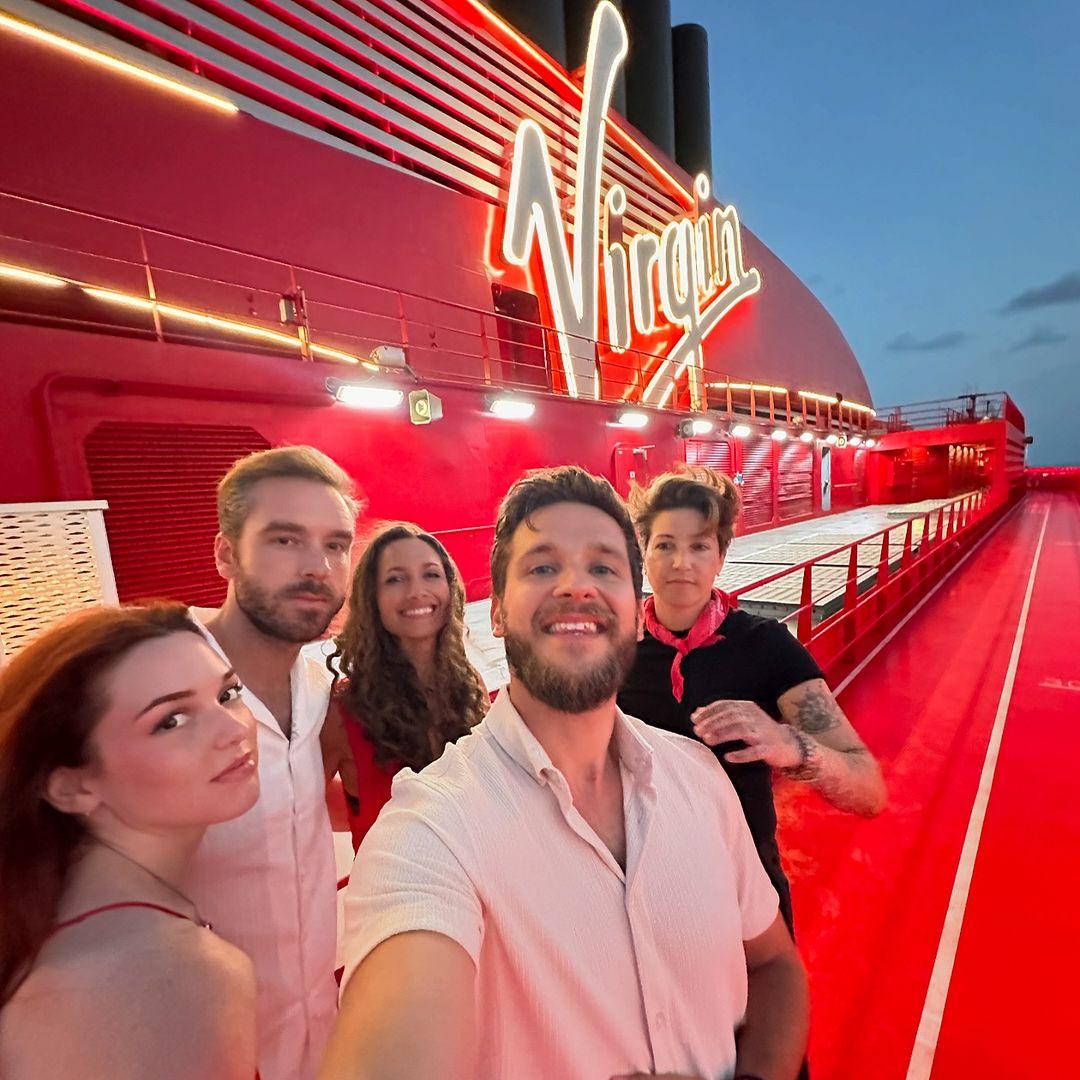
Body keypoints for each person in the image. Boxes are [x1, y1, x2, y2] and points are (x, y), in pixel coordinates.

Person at [321, 466, 809, 1080]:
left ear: (638, 614)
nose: (577, 585)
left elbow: (773, 967)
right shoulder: (428, 832)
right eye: (543, 567)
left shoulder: (700, 776)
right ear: (496, 612)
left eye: (604, 567)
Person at [619, 465, 887, 931]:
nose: (681, 562)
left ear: (720, 556)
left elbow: (869, 791)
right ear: (643, 553)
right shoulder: (614, 648)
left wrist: (789, 744)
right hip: (640, 893)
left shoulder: (765, 645)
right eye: (665, 545)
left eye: (699, 546)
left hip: (743, 895)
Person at [0, 603, 259, 1079]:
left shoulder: (53, 908)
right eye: (171, 720)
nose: (235, 729)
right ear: (72, 786)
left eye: (228, 694)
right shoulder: (173, 976)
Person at [186, 445, 359, 1080]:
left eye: (336, 545)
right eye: (285, 540)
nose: (317, 567)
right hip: (197, 1044)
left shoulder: (318, 689)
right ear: (226, 553)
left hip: (317, 1034)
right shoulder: (156, 682)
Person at [320, 522, 488, 850]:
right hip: (394, 893)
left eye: (431, 575)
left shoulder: (470, 686)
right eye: (395, 579)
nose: (417, 592)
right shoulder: (342, 710)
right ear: (372, 599)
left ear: (450, 588)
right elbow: (307, 806)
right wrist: (370, 819)